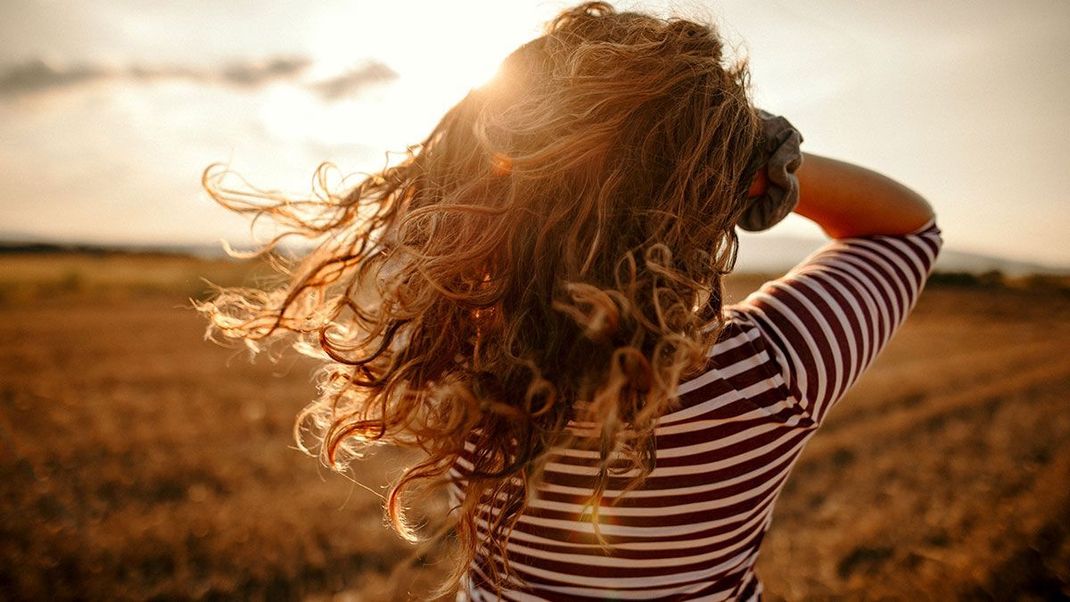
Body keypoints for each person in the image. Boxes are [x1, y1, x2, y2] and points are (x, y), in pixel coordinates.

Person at [198, 2, 942, 600]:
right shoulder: (775, 372)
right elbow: (906, 227)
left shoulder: (462, 353)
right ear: (705, 191)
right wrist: (755, 156)